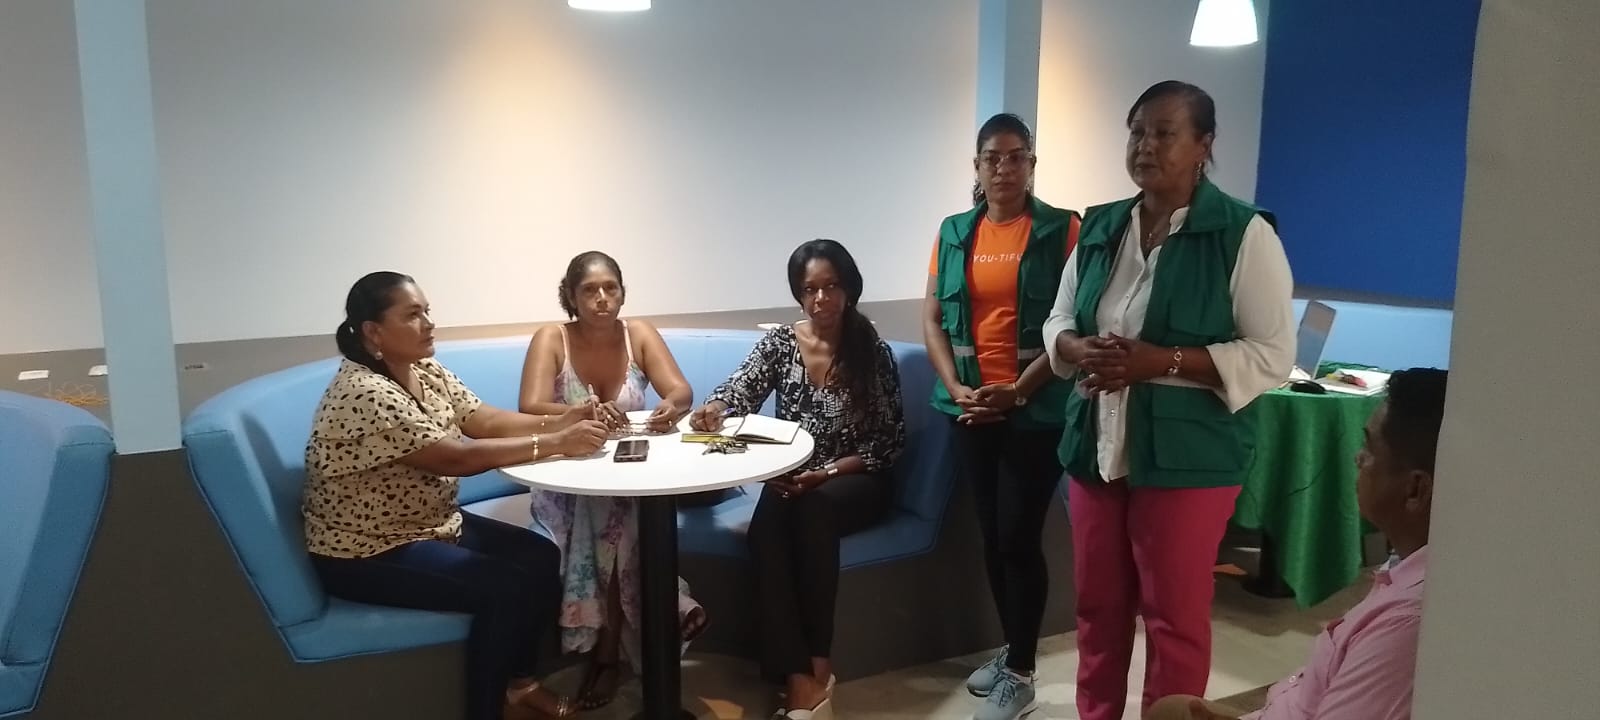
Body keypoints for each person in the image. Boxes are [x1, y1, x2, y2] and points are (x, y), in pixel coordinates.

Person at [1042, 81, 1296, 720]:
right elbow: (1059, 317)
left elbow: (1271, 354)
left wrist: (1163, 361)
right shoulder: (1102, 225)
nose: (1145, 146)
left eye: (1164, 133)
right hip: (1099, 446)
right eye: (1136, 132)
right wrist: (1074, 347)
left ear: (1204, 145)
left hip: (1191, 458)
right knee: (1097, 610)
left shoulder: (1243, 234)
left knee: (1174, 619)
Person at [303, 271, 610, 720]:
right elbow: (455, 458)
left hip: (431, 524)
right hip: (367, 550)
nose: (429, 323)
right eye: (413, 315)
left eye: (427, 311)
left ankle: (521, 685)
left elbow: (484, 420)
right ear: (373, 331)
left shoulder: (422, 369)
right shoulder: (363, 392)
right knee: (504, 587)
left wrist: (564, 418)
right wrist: (558, 442)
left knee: (540, 556)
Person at [1145, 368, 1446, 720]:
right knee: (1172, 710)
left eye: (1369, 448)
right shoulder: (1405, 569)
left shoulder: (1404, 627)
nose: (1358, 459)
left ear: (1415, 490)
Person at [689, 239, 906, 720]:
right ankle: (799, 678)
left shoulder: (873, 351)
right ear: (798, 294)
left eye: (831, 286)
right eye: (810, 289)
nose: (821, 298)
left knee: (812, 513)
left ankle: (819, 666)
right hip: (794, 477)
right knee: (765, 531)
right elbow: (740, 388)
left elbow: (887, 444)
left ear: (849, 288)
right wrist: (716, 408)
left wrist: (825, 473)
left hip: (856, 476)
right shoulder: (781, 343)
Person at [921, 112, 1080, 720]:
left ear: (1031, 165)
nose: (1004, 168)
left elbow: (1075, 324)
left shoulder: (1063, 230)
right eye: (993, 157)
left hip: (1035, 410)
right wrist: (955, 386)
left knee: (1017, 535)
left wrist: (1017, 391)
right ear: (978, 166)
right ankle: (1014, 650)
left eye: (1017, 157)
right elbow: (933, 317)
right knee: (992, 535)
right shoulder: (954, 231)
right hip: (969, 408)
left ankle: (1021, 672)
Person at [516, 251, 705, 710]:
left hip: (627, 476)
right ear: (571, 296)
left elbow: (680, 390)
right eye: (589, 290)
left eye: (610, 288)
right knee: (615, 519)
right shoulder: (552, 338)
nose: (602, 298)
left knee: (619, 512)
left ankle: (609, 653)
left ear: (622, 293)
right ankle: (659, 618)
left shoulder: (638, 334)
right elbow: (530, 406)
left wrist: (670, 407)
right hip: (565, 482)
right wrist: (579, 412)